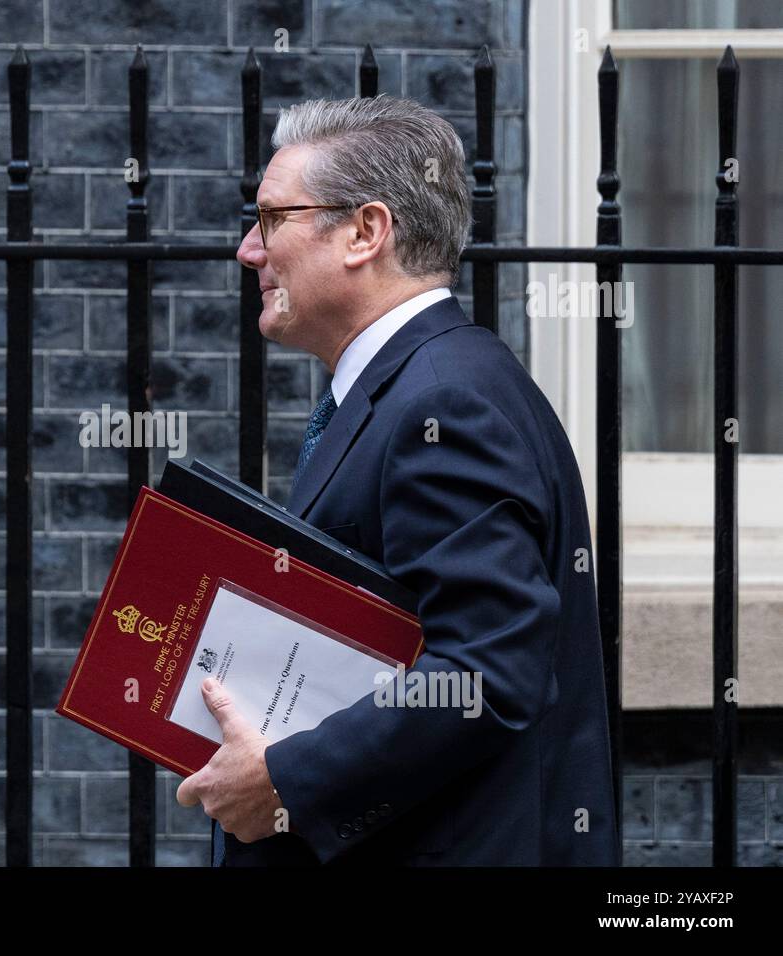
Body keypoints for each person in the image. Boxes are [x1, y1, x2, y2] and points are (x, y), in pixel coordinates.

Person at [176, 95, 620, 866]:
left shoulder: (443, 401)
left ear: (365, 232)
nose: (250, 249)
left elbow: (486, 671)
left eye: (273, 218)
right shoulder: (424, 382)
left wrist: (287, 779)